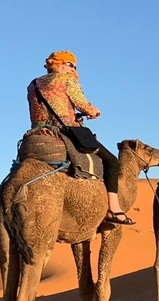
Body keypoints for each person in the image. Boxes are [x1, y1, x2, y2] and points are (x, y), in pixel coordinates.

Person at [27, 50, 134, 224]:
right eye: (70, 65)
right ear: (60, 64)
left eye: (74, 66)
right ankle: (114, 209)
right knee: (112, 162)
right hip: (66, 131)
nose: (73, 69)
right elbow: (82, 104)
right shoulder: (67, 80)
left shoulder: (32, 84)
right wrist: (93, 111)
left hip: (37, 132)